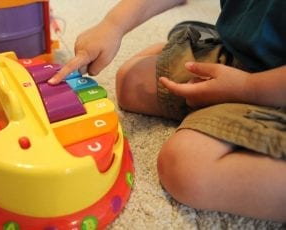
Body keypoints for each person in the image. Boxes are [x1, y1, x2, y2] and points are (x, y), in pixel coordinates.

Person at [48, 0, 286, 222]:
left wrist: (246, 88)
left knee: (187, 170)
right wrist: (113, 25)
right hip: (245, 56)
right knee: (130, 82)